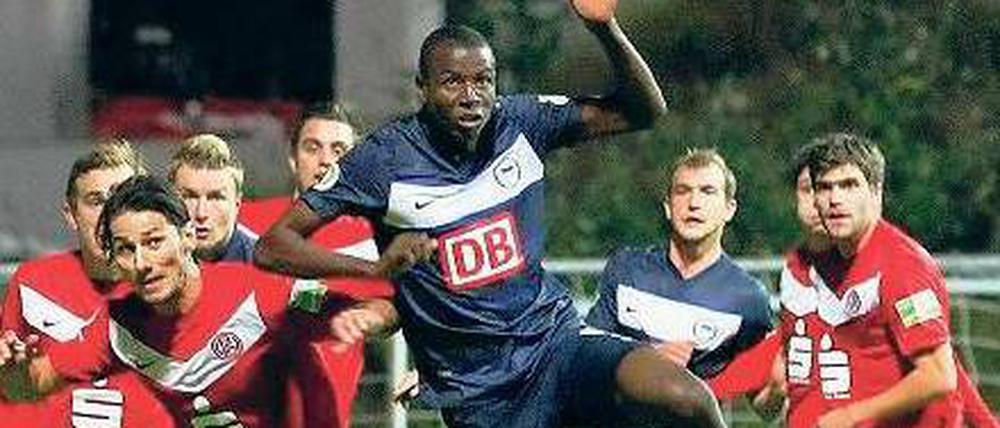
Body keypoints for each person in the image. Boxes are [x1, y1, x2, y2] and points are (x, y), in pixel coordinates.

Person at [255, 1, 727, 427]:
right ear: (423, 88)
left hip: (556, 344)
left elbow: (644, 111)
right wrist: (374, 269)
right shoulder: (382, 160)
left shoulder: (520, 123)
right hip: (480, 393)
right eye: (452, 82)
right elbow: (273, 246)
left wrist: (605, 29)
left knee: (686, 398)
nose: (471, 95)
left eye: (482, 80)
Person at [93, 174, 391, 427]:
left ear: (187, 237)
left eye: (154, 242)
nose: (142, 262)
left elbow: (383, 307)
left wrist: (371, 317)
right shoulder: (112, 329)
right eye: (125, 249)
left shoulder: (260, 295)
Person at [776, 133, 962, 427]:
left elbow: (939, 375)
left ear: (875, 192)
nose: (835, 199)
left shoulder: (902, 267)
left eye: (849, 185)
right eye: (824, 188)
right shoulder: (824, 265)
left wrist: (851, 416)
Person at [583, 148, 774, 420]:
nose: (693, 202)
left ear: (729, 209)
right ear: (668, 207)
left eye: (707, 191)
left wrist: (779, 383)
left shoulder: (748, 299)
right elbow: (585, 361)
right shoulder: (627, 269)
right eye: (683, 191)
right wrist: (644, 361)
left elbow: (766, 408)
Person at [239, 103, 393, 428]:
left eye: (339, 150)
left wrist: (370, 317)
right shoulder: (245, 223)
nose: (326, 160)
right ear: (293, 159)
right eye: (313, 147)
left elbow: (393, 309)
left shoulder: (372, 238)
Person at [0, 141, 172, 427]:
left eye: (123, 197)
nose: (110, 212)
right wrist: (12, 374)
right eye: (96, 200)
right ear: (71, 214)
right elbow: (13, 394)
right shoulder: (33, 283)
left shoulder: (173, 288)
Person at [169, 133, 257, 263]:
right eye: (189, 197)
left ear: (237, 204)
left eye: (215, 198)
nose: (201, 213)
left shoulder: (269, 268)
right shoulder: (143, 262)